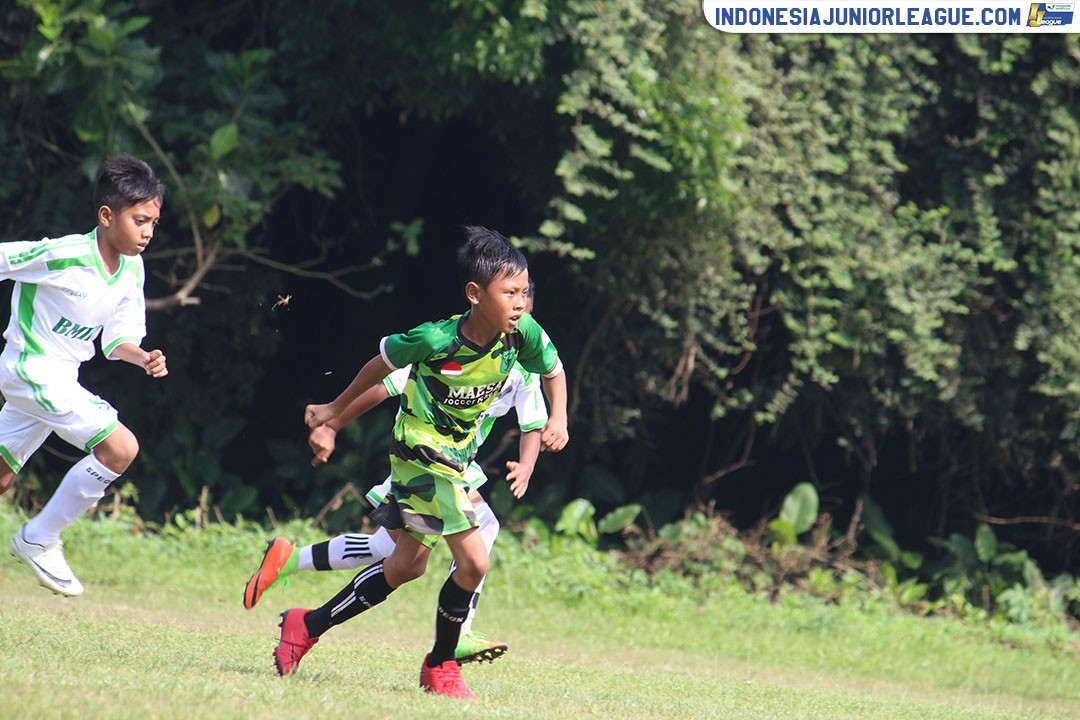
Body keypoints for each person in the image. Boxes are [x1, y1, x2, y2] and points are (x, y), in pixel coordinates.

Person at [272, 226, 568, 701]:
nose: (520, 302)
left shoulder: (522, 335)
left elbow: (553, 371)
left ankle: (306, 624)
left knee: (405, 565)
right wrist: (332, 411)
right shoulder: (436, 339)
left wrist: (561, 418)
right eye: (510, 292)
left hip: (456, 460)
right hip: (418, 454)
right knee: (474, 561)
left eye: (524, 292)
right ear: (475, 294)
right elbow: (381, 364)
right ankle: (441, 664)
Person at [243, 284, 548, 667]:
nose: (517, 313)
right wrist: (334, 424)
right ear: (482, 301)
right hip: (424, 459)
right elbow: (385, 384)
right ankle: (458, 635)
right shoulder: (448, 344)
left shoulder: (524, 363)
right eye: (510, 300)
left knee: (396, 557)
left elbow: (534, 423)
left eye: (524, 307)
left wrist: (527, 464)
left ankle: (294, 575)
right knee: (481, 529)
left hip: (456, 463)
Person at [2, 154, 168, 597]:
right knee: (121, 447)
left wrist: (143, 356)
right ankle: (39, 537)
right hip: (30, 369)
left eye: (153, 221)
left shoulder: (132, 268)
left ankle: (38, 537)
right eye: (140, 220)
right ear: (107, 215)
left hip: (59, 379)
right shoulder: (64, 254)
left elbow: (117, 342)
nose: (148, 231)